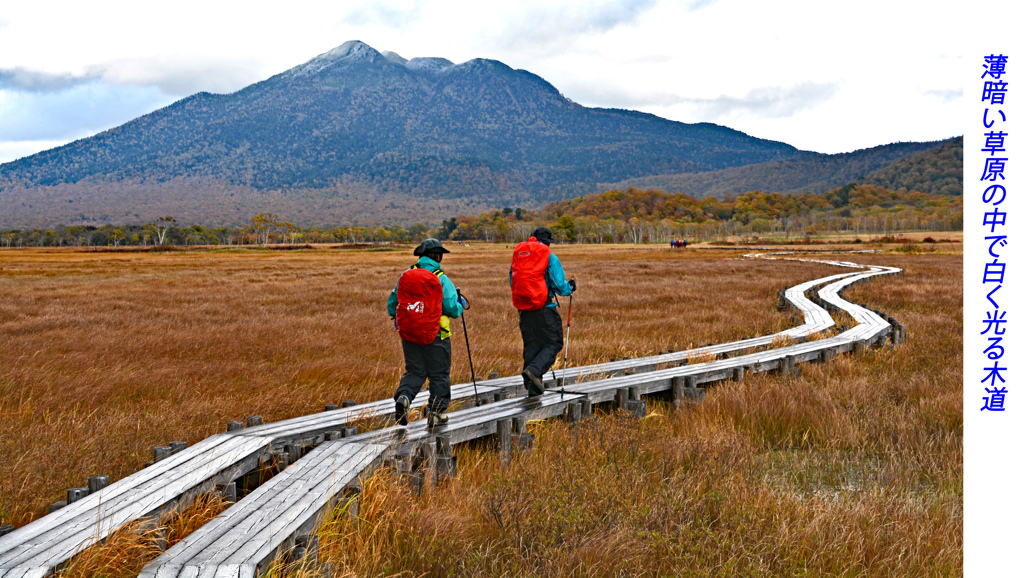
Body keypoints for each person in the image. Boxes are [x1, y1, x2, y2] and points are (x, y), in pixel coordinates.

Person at [388, 238, 466, 427]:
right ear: (437, 256)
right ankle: (435, 413)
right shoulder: (440, 277)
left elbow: (392, 305)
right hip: (437, 335)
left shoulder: (406, 275)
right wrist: (460, 304)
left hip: (410, 334)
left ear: (421, 256)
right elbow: (451, 308)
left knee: (414, 371)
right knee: (439, 374)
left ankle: (404, 398)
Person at [510, 227, 575, 397]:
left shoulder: (519, 257)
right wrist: (570, 288)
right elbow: (559, 285)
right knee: (554, 342)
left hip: (524, 311)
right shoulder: (549, 257)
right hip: (544, 308)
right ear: (547, 243)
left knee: (532, 345)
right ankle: (534, 371)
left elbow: (513, 280)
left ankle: (532, 388)